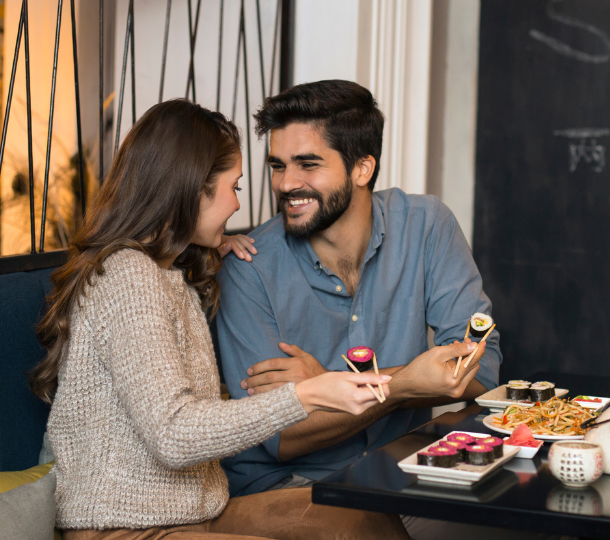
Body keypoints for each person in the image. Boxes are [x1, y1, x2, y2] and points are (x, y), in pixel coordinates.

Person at [27, 99, 409, 540]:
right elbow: (172, 434)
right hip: (122, 527)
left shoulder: (165, 272)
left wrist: (203, 247)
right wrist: (306, 395)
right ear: (191, 189)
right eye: (234, 186)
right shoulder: (128, 276)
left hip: (197, 512)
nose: (235, 204)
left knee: (363, 515)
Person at [215, 80, 501, 497]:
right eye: (278, 166)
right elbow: (281, 435)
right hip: (290, 488)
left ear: (362, 168)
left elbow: (479, 370)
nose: (285, 184)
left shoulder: (426, 226)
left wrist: (326, 383)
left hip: (398, 470)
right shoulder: (248, 268)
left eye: (307, 164)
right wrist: (402, 385)